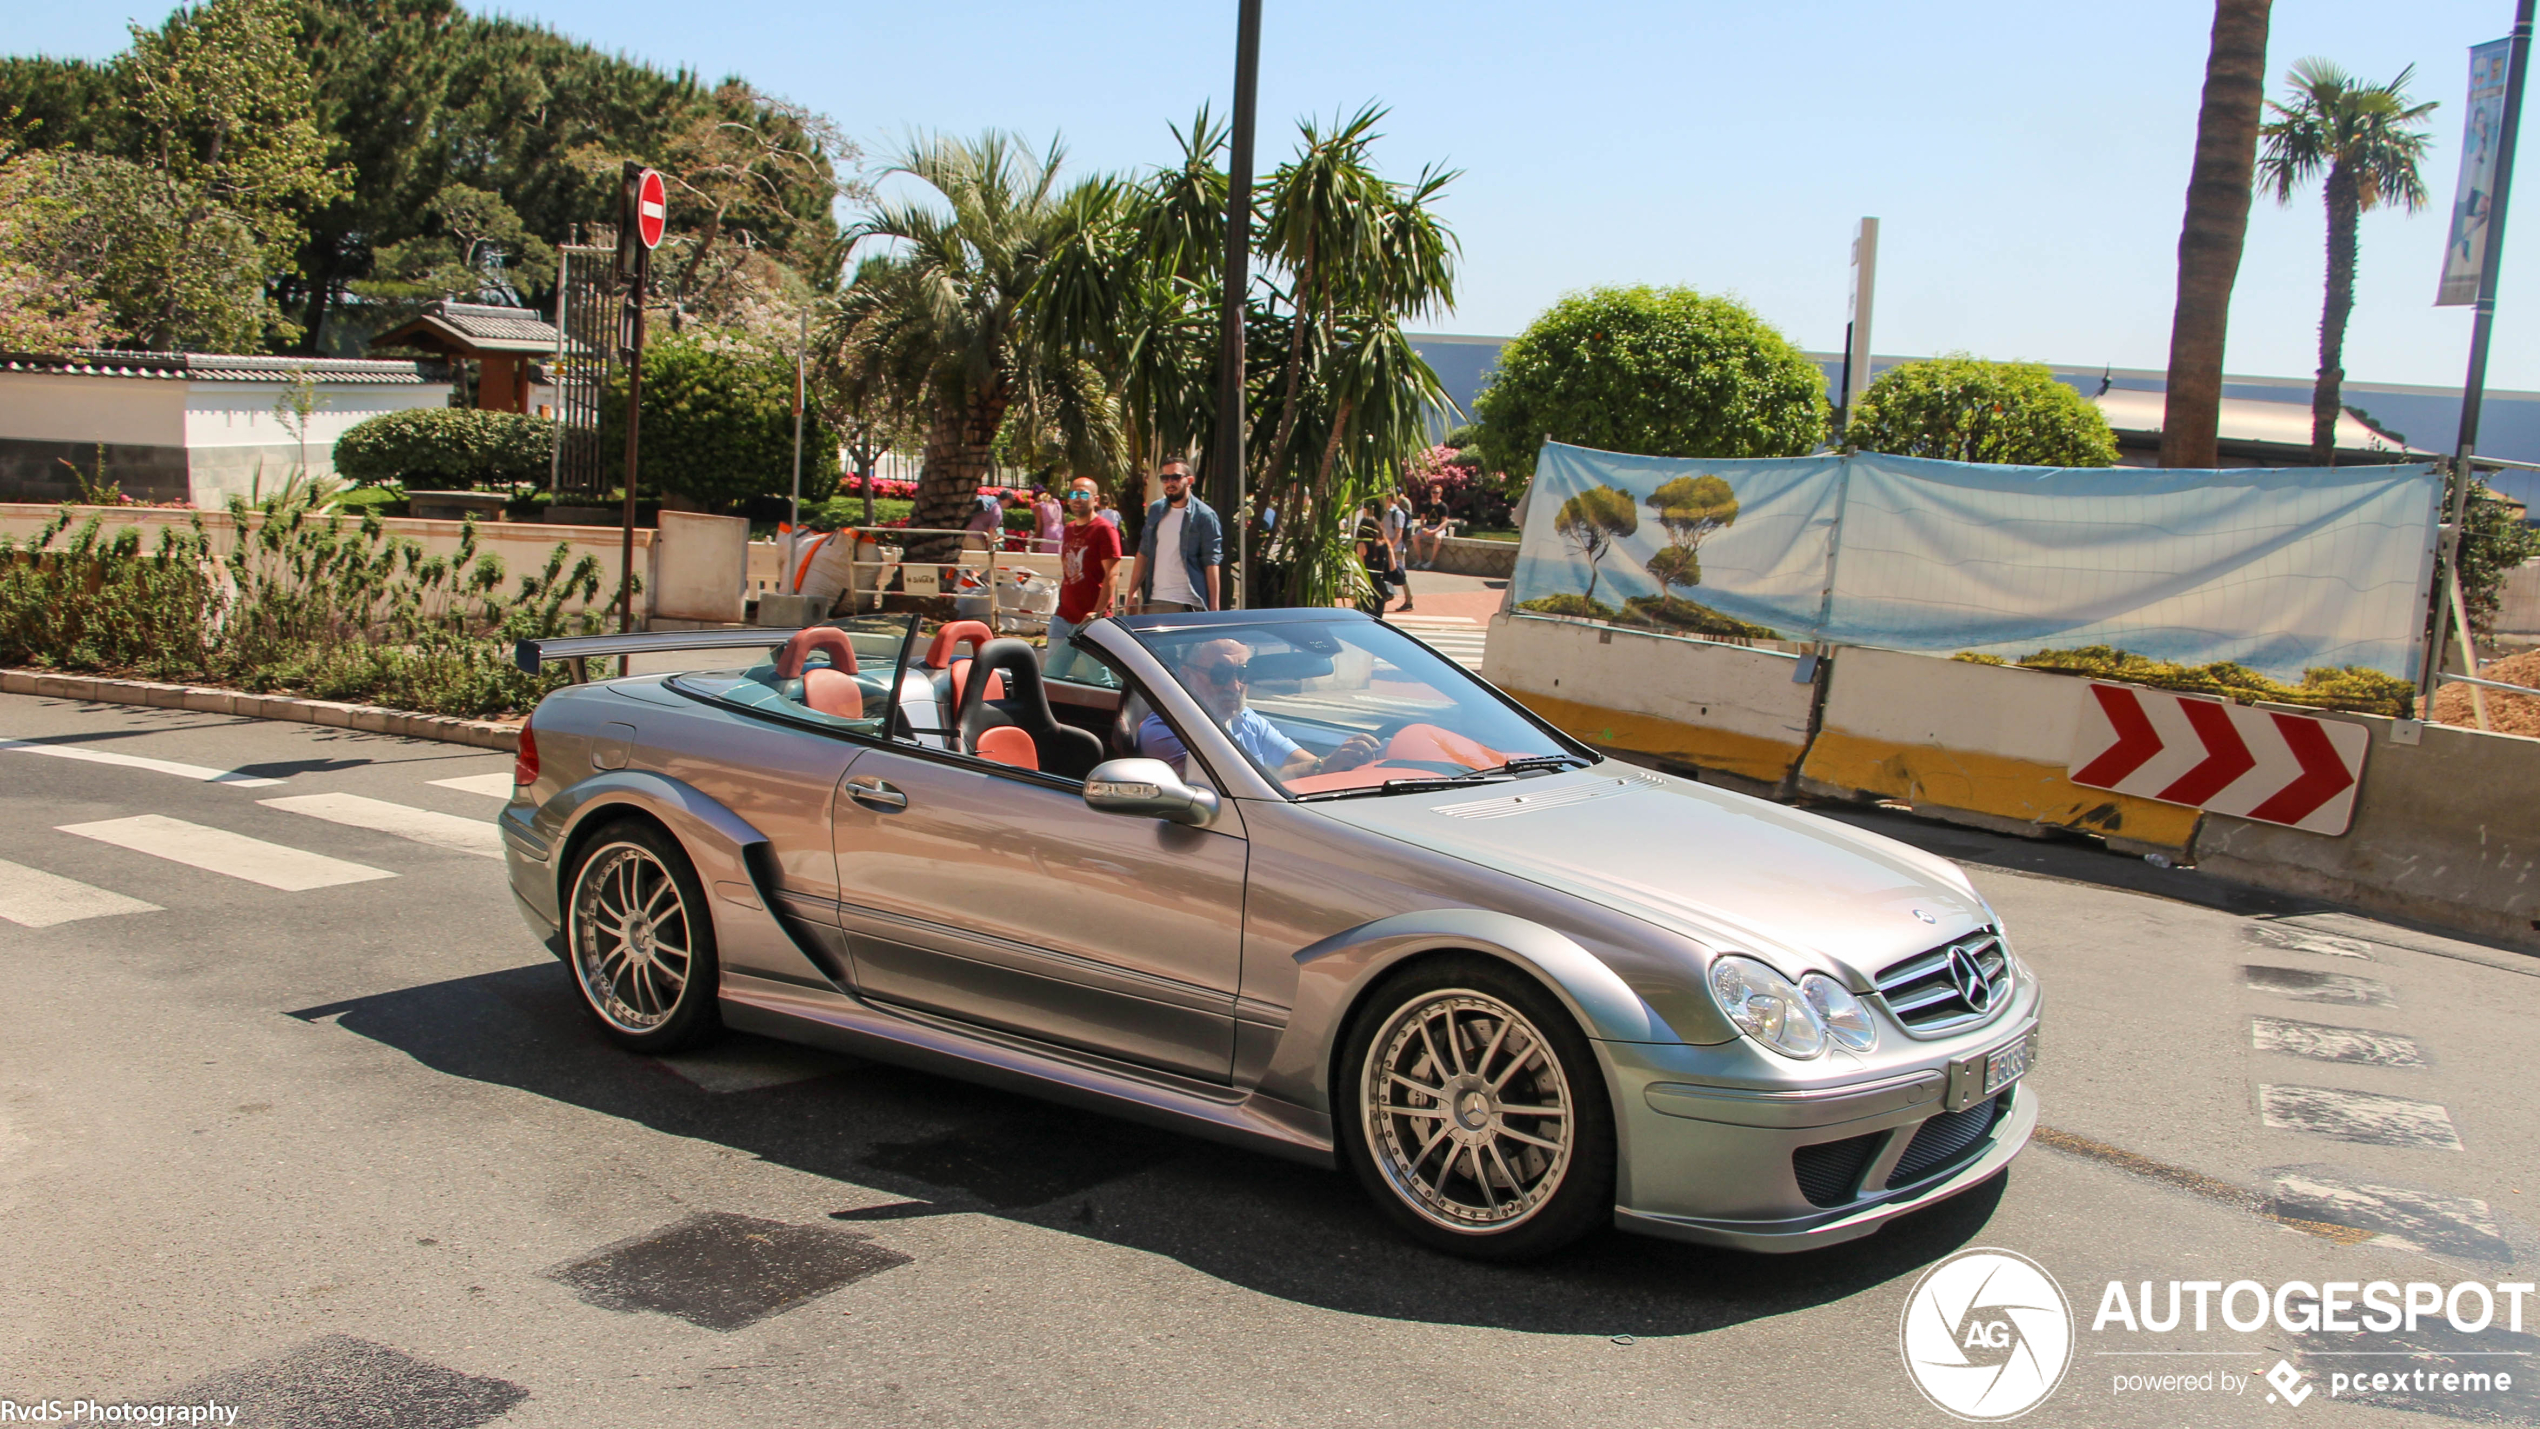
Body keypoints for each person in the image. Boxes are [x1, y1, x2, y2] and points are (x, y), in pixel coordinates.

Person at [1136, 638, 1380, 783]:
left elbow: (1302, 762)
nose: (1234, 686)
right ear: (1187, 675)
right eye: (1219, 674)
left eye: (1242, 672)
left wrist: (1346, 760)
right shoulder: (1165, 731)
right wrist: (1323, 766)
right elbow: (1237, 786)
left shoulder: (1245, 720)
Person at [1044, 477, 1120, 682]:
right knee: (1051, 673)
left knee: (1099, 677)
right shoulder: (1068, 529)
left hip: (1091, 619)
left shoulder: (1104, 529)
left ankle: (1108, 712)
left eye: (1083, 494)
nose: (1078, 498)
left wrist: (1097, 612)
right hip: (1063, 615)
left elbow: (1112, 574)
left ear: (1095, 499)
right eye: (1073, 494)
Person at [1130, 459, 1222, 612]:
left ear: (1189, 480)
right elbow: (1144, 552)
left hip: (1190, 602)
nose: (1169, 483)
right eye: (1165, 478)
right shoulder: (1156, 510)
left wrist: (1214, 609)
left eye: (1176, 477)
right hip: (1156, 600)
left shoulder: (1204, 516)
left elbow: (1211, 562)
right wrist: (1131, 591)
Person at [1354, 498, 1394, 620]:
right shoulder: (1385, 543)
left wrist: (1356, 589)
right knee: (1378, 619)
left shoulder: (1362, 545)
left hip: (1367, 584)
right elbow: (1393, 566)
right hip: (1381, 585)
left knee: (1363, 618)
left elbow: (1359, 568)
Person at [1385, 491, 1415, 611]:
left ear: (1388, 498)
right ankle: (1388, 593)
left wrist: (1390, 547)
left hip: (1396, 549)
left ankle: (1409, 600)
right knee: (1387, 572)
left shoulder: (1397, 513)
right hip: (1388, 547)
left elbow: (1399, 533)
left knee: (1400, 574)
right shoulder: (1386, 513)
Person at [1412, 486, 1448, 570]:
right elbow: (1422, 520)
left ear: (1440, 494)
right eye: (1433, 492)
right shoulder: (1426, 505)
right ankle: (1420, 559)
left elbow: (1444, 522)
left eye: (1437, 492)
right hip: (1428, 526)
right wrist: (1423, 528)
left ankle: (1431, 561)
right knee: (1415, 537)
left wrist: (1434, 531)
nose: (1435, 494)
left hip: (1439, 528)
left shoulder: (1443, 506)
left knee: (1437, 537)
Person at [1031, 485, 1064, 554]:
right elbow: (1064, 520)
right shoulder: (1057, 503)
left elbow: (1039, 528)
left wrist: (1035, 544)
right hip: (1060, 532)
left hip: (1048, 534)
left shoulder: (1039, 506)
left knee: (1046, 559)